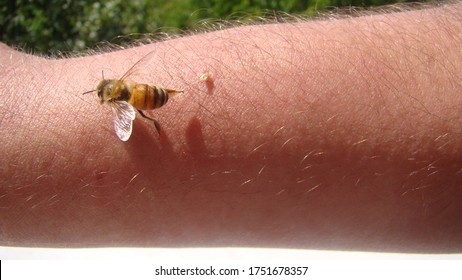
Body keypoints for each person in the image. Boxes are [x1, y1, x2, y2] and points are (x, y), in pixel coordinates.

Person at [1, 2, 461, 252]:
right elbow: (136, 86)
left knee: (146, 109)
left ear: (108, 93)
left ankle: (162, 119)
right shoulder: (125, 86)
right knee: (148, 99)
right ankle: (165, 110)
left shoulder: (119, 102)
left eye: (104, 94)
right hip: (149, 89)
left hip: (146, 101)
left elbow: (125, 115)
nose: (109, 96)